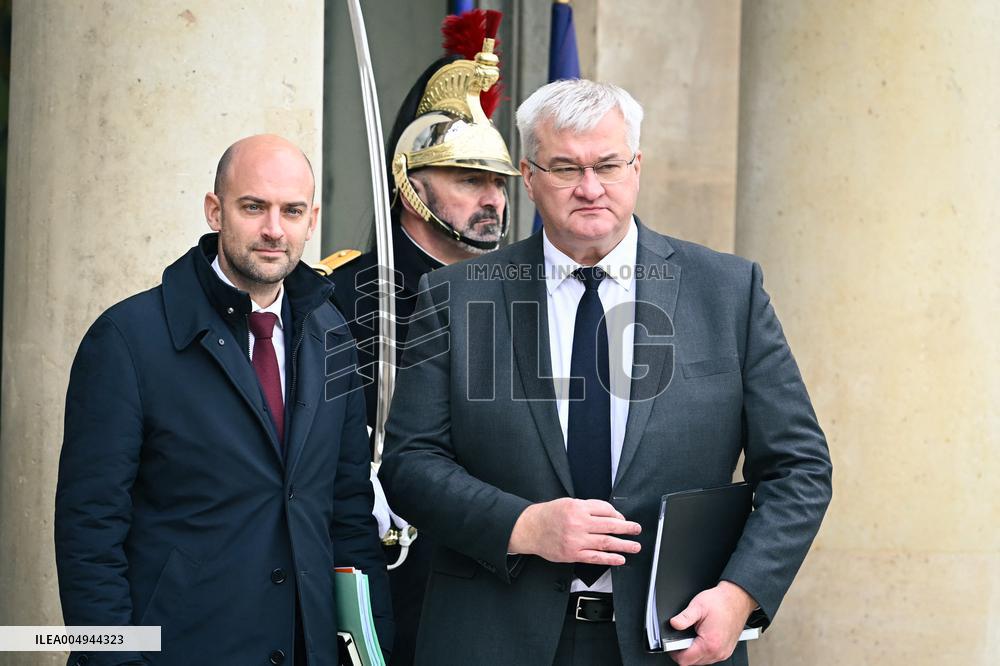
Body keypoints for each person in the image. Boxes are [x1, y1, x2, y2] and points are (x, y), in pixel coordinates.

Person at [380, 79, 833, 666]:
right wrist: (522, 526)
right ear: (530, 174)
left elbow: (800, 468)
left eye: (608, 165)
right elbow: (409, 463)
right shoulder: (454, 297)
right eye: (566, 168)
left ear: (636, 166)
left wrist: (741, 594)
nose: (590, 188)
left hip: (672, 640)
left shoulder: (728, 293)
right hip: (493, 638)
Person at [54, 134, 392, 666]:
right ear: (216, 211)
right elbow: (89, 532)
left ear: (312, 218)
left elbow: (348, 514)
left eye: (292, 210)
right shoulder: (127, 340)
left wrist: (369, 652)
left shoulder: (333, 336)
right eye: (253, 207)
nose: (274, 229)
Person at [317, 11, 518, 666]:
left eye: (498, 184)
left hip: (498, 584)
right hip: (384, 571)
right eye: (469, 180)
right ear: (411, 186)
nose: (492, 200)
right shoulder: (339, 294)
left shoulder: (527, 297)